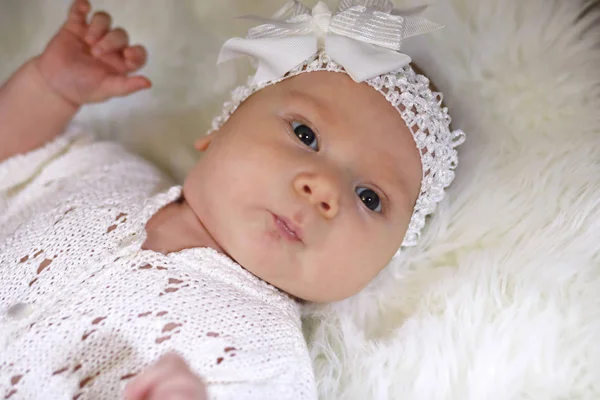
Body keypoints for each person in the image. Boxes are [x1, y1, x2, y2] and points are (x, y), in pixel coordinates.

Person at [0, 0, 465, 399]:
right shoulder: (106, 170)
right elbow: (13, 153)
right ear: (220, 128)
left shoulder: (267, 355)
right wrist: (48, 87)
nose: (323, 188)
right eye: (305, 134)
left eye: (369, 197)